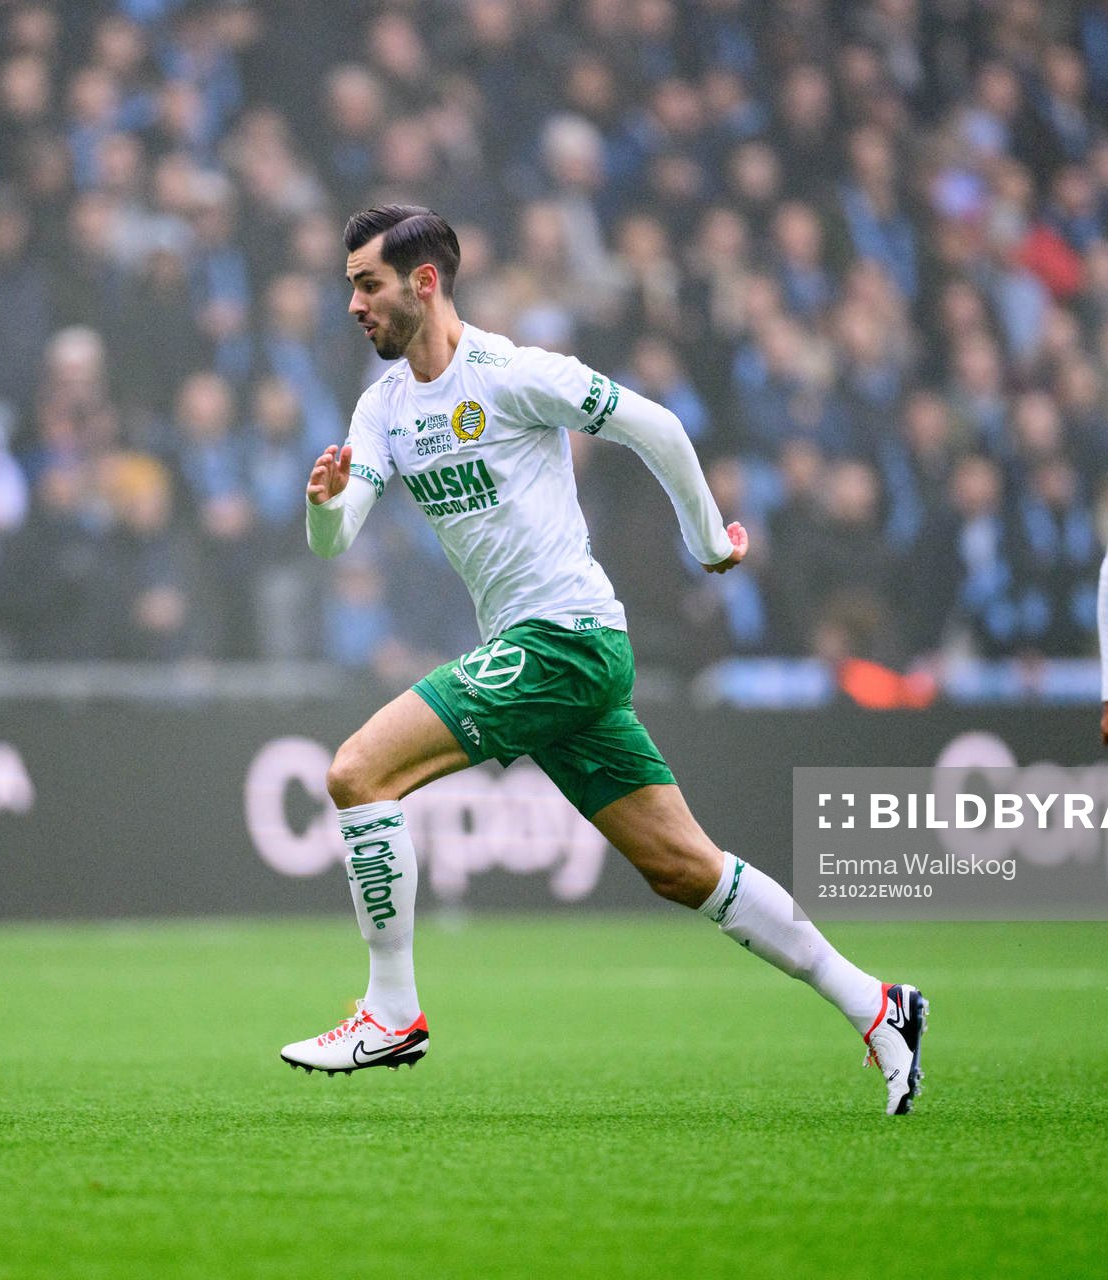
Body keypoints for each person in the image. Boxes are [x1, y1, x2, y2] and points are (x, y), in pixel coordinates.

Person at [280, 205, 927, 1115]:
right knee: (684, 868)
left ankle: (391, 1013)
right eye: (350, 285)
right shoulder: (383, 406)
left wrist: (710, 541)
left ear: (424, 283)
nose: (353, 303)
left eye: (367, 284)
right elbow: (337, 539)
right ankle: (879, 1005)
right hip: (546, 655)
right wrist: (323, 504)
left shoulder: (513, 374)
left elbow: (654, 423)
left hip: (564, 639)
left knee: (357, 774)